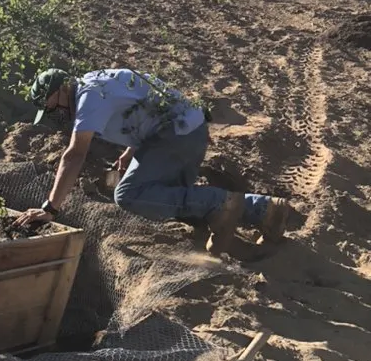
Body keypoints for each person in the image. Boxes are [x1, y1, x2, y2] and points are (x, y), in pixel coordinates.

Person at [16, 68, 290, 255]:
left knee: (129, 195)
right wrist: (129, 153)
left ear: (64, 88)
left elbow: (75, 154)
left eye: (52, 106)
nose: (56, 114)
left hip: (177, 136)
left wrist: (50, 208)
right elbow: (144, 105)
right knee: (169, 196)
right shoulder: (97, 81)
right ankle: (266, 211)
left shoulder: (89, 97)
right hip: (186, 131)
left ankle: (226, 205)